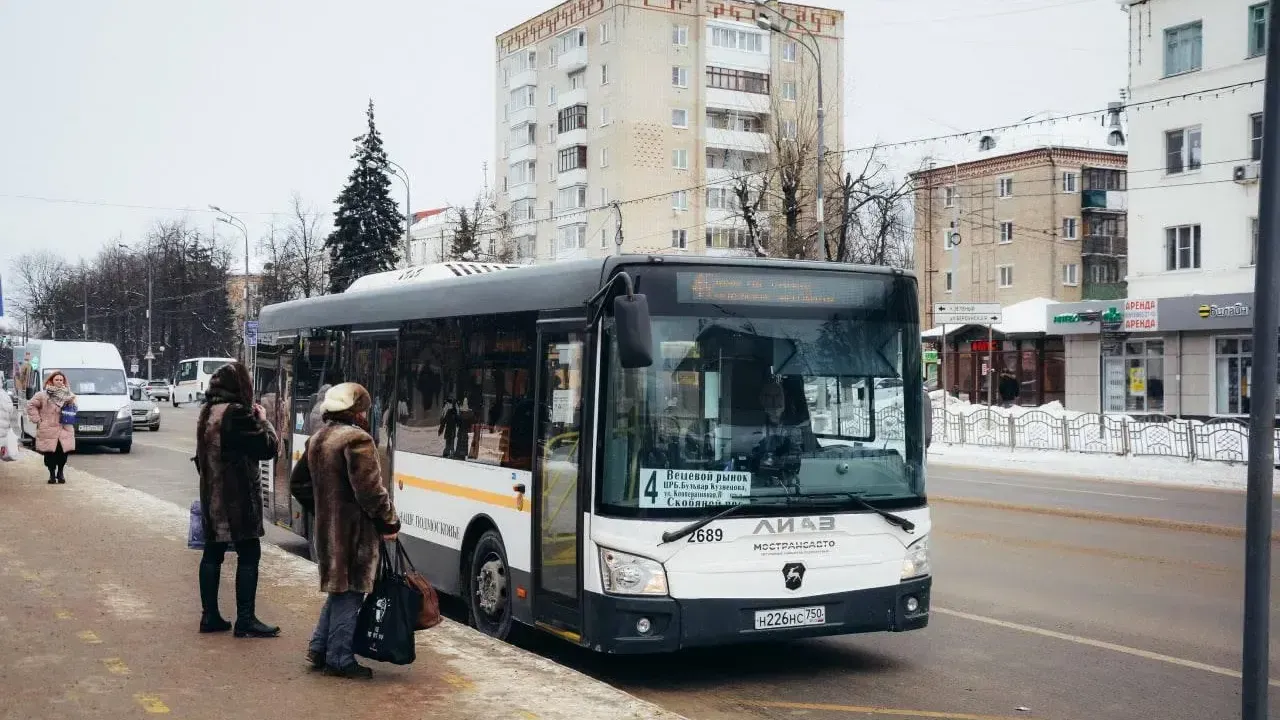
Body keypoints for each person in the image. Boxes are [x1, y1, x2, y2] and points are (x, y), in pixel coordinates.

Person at [290, 382, 400, 679]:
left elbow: (298, 484)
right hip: (354, 533)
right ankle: (339, 658)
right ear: (356, 411)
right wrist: (389, 522)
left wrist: (326, 508)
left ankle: (319, 647)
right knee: (351, 592)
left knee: (339, 589)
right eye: (362, 409)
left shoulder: (318, 438)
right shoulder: (357, 441)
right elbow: (371, 492)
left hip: (328, 531)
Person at [195, 362, 280, 638]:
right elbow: (268, 447)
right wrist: (264, 419)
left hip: (212, 495)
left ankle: (210, 616)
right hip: (237, 499)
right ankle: (246, 619)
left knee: (213, 553)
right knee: (249, 554)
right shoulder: (237, 414)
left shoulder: (207, 412)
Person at [25, 370, 76, 484]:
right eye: (56, 379)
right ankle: (52, 474)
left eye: (61, 380)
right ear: (51, 380)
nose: (59, 381)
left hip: (64, 427)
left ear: (64, 381)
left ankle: (60, 472)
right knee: (50, 454)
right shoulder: (42, 395)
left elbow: (74, 408)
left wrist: (70, 403)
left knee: (63, 453)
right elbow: (31, 405)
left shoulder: (69, 395)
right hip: (48, 428)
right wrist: (37, 419)